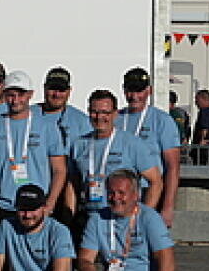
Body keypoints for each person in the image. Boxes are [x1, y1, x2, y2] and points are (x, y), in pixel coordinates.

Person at [0, 71, 67, 229]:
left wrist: (50, 204)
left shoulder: (47, 127)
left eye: (21, 94)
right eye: (11, 95)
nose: (15, 100)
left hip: (35, 207)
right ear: (4, 95)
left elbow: (59, 169)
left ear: (30, 94)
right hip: (0, 206)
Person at [64, 90, 161, 225]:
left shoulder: (132, 143)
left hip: (121, 219)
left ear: (115, 114)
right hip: (89, 217)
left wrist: (142, 218)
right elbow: (72, 184)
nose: (99, 117)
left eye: (105, 112)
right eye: (95, 112)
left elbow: (156, 181)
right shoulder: (79, 144)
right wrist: (69, 217)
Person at [118, 67, 182, 228]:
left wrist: (168, 207)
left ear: (149, 91)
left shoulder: (162, 121)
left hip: (150, 191)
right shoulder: (117, 118)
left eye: (139, 91)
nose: (134, 96)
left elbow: (173, 166)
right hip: (119, 192)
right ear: (124, 90)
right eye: (130, 91)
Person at [36, 66, 92, 145]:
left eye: (61, 89)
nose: (56, 94)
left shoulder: (83, 122)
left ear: (69, 91)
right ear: (44, 88)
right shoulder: (28, 115)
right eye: (53, 88)